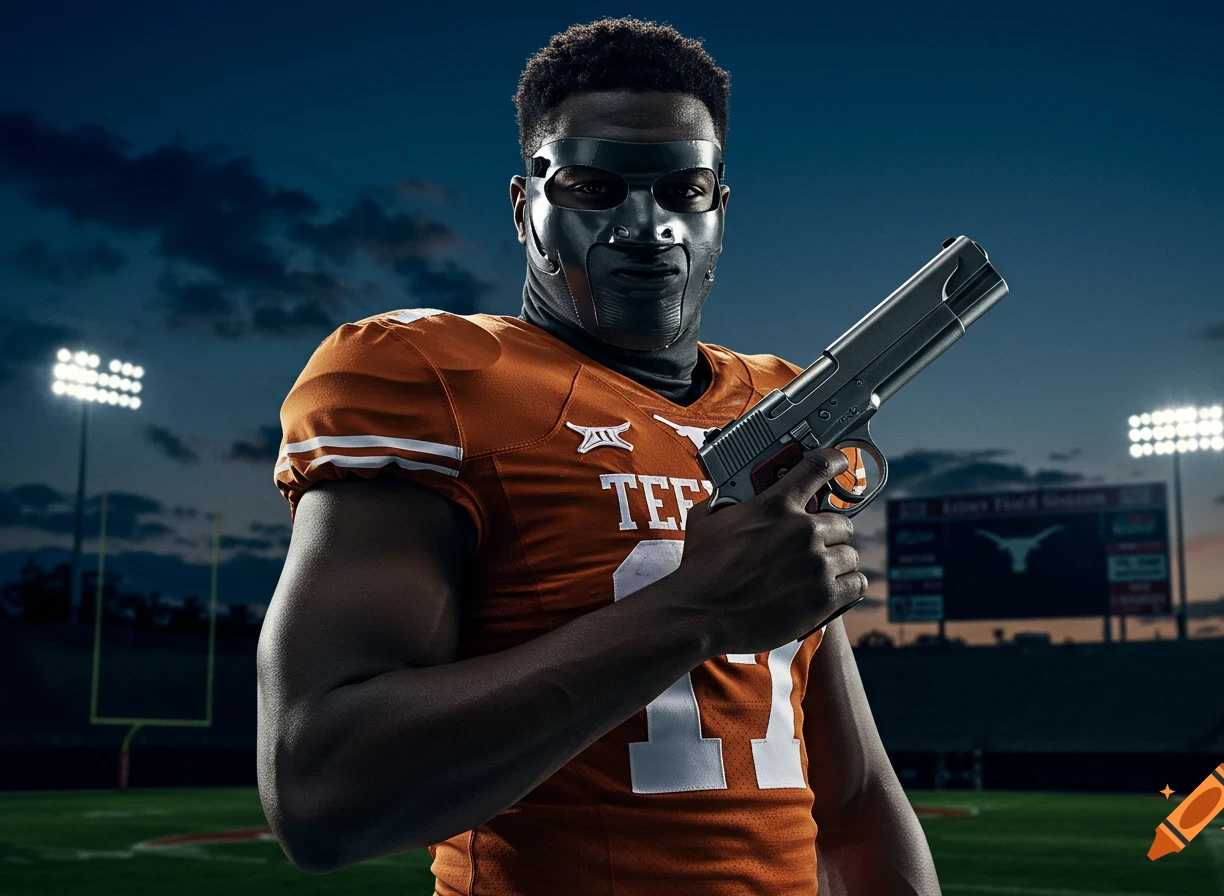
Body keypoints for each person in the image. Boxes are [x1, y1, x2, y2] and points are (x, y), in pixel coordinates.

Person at [257, 17, 939, 896]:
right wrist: (690, 612)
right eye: (595, 187)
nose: (648, 226)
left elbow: (849, 802)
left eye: (683, 189)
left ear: (719, 208)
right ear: (523, 207)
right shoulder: (431, 373)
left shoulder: (772, 402)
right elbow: (322, 792)